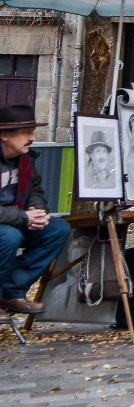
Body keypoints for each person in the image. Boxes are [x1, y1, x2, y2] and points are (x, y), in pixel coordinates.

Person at [0, 109, 67, 315]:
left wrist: (37, 212)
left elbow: (35, 190)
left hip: (17, 219)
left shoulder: (25, 160)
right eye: (26, 132)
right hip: (9, 225)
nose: (32, 138)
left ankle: (11, 292)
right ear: (4, 135)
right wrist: (23, 217)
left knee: (58, 229)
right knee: (10, 237)